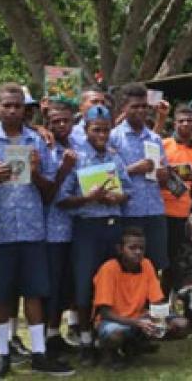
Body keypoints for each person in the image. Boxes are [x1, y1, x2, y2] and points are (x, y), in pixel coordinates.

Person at [0, 83, 72, 379]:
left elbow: (48, 194)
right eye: (6, 105)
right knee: (0, 297)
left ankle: (40, 354)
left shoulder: (38, 142)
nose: (12, 110)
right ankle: (2, 355)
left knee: (34, 294)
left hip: (32, 230)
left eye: (17, 105)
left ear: (25, 109)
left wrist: (38, 172)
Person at [56, 104, 131, 366]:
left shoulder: (114, 155)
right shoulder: (77, 157)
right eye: (96, 129)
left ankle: (109, 342)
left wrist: (116, 196)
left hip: (113, 226)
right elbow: (61, 198)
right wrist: (88, 198)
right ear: (85, 130)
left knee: (112, 285)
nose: (102, 134)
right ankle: (86, 342)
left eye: (106, 129)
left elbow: (128, 190)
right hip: (87, 229)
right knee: (85, 286)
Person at [92, 227, 188, 370]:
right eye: (132, 248)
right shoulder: (109, 269)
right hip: (113, 320)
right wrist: (137, 322)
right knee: (115, 335)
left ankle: (135, 345)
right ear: (120, 249)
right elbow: (105, 313)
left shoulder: (147, 264)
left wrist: (161, 321)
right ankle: (108, 354)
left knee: (181, 324)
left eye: (141, 248)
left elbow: (156, 301)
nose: (138, 252)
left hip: (140, 318)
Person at [110, 83, 171, 280]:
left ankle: (152, 306)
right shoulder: (113, 138)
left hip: (154, 210)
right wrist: (133, 169)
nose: (141, 111)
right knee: (128, 264)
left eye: (144, 106)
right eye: (135, 106)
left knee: (154, 264)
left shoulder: (154, 138)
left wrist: (163, 174)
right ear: (124, 109)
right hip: (128, 211)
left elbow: (164, 173)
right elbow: (106, 177)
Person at [42, 98, 79, 356]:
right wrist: (64, 170)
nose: (62, 125)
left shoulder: (80, 145)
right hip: (52, 228)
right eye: (56, 122)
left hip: (77, 227)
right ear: (48, 124)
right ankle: (45, 337)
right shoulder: (44, 147)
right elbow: (47, 193)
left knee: (68, 285)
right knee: (51, 286)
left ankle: (57, 333)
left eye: (66, 120)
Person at [161, 104, 192, 296]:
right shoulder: (163, 145)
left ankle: (167, 301)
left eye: (189, 121)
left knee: (174, 260)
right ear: (174, 123)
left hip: (182, 214)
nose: (186, 124)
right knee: (157, 260)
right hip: (160, 211)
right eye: (181, 121)